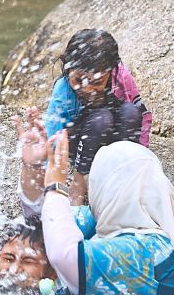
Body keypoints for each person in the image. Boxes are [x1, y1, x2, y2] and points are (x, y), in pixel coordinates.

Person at [21, 111, 174, 295]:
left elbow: (64, 255)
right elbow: (41, 223)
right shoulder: (109, 223)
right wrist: (33, 168)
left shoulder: (146, 250)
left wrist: (56, 186)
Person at [43, 29, 151, 205]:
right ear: (68, 67)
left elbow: (142, 115)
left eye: (97, 82)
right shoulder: (63, 89)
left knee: (131, 112)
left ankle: (120, 172)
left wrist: (142, 157)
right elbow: (53, 133)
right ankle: (79, 181)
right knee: (102, 117)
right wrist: (52, 177)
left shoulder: (121, 77)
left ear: (112, 71)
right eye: (78, 80)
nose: (87, 89)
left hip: (111, 138)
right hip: (80, 142)